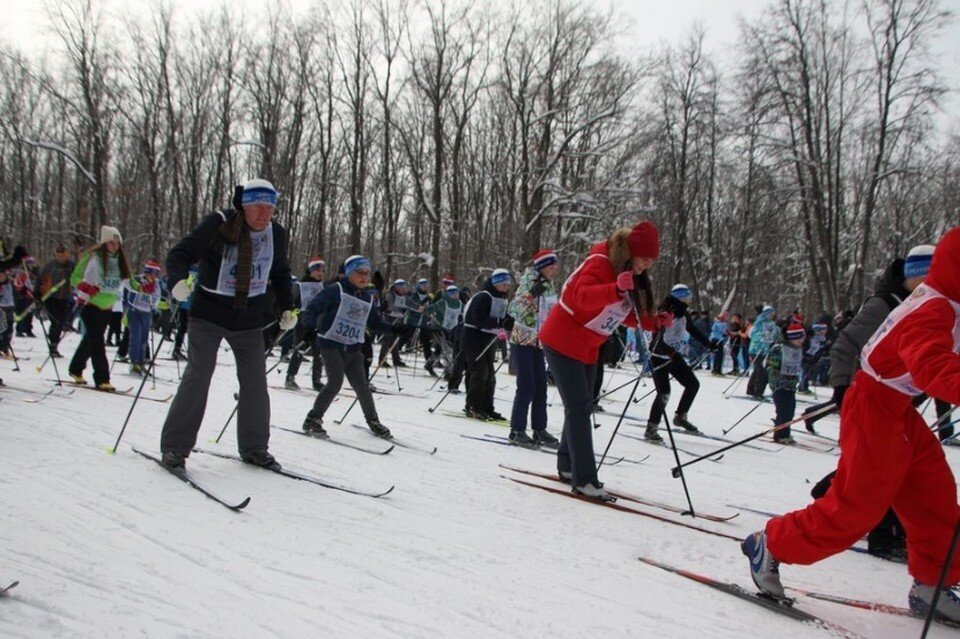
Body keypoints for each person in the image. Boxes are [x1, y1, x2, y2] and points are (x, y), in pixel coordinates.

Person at [741, 227, 960, 624]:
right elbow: (931, 364)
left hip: (898, 409)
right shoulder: (934, 307)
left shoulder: (949, 302)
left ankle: (933, 582)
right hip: (873, 403)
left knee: (935, 496)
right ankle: (771, 543)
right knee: (857, 506)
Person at [159, 179, 295, 470]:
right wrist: (177, 282)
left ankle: (255, 447)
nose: (264, 214)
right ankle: (174, 448)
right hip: (208, 313)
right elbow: (180, 253)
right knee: (199, 376)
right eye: (257, 207)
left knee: (255, 382)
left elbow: (281, 273)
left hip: (248, 318)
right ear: (243, 206)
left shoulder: (276, 233)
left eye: (270, 208)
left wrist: (287, 307)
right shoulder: (220, 223)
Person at [539, 221, 663, 499]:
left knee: (581, 407)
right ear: (631, 251)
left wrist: (654, 322)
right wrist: (614, 289)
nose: (647, 265)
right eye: (644, 258)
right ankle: (584, 479)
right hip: (562, 340)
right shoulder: (600, 263)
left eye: (652, 260)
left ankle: (568, 466)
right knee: (580, 408)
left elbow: (623, 312)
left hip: (586, 347)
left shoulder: (626, 272)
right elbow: (581, 297)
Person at [803, 244, 935, 434]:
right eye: (932, 276)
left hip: (894, 396)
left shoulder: (919, 305)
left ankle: (814, 414)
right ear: (917, 274)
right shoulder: (885, 304)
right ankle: (811, 415)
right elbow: (846, 343)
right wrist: (841, 386)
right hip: (866, 390)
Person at [300, 255, 393, 438]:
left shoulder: (366, 297)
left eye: (367, 273)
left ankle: (373, 420)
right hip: (330, 343)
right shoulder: (336, 290)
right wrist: (309, 327)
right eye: (359, 273)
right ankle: (313, 419)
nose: (364, 277)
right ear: (349, 273)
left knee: (362, 386)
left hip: (352, 347)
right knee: (335, 382)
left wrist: (395, 329)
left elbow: (374, 322)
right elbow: (312, 309)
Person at [644, 284, 719, 440]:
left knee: (693, 384)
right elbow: (656, 342)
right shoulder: (665, 312)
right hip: (659, 358)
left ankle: (680, 417)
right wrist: (671, 353)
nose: (689, 300)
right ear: (680, 298)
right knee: (664, 393)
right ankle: (651, 428)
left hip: (673, 357)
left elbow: (692, 330)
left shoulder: (683, 313)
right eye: (687, 297)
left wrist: (708, 344)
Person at [507, 249, 561, 448]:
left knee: (540, 387)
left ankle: (539, 429)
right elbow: (513, 310)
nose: (555, 270)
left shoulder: (549, 286)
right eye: (551, 267)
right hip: (522, 340)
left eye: (555, 266)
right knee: (526, 386)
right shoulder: (528, 282)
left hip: (539, 342)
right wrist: (531, 295)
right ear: (542, 267)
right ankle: (516, 430)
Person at [68, 226, 131, 390]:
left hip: (107, 307)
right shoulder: (92, 257)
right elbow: (75, 277)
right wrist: (85, 287)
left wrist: (142, 287)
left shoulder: (120, 261)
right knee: (97, 342)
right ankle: (102, 378)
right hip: (90, 305)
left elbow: (128, 281)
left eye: (117, 243)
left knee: (90, 340)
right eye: (111, 243)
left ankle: (75, 368)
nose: (114, 246)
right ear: (104, 243)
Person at [462, 268, 515, 420]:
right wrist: (498, 325)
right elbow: (478, 319)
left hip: (488, 339)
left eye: (508, 284)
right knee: (479, 373)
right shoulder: (483, 296)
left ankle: (487, 407)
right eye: (504, 284)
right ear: (496, 283)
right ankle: (473, 406)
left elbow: (504, 318)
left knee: (490, 375)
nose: (506, 287)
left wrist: (509, 324)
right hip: (473, 338)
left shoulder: (502, 298)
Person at [285, 256, 326, 391]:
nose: (320, 273)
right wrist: (293, 314)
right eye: (317, 270)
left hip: (318, 323)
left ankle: (316, 380)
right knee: (300, 349)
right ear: (311, 270)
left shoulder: (322, 286)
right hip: (302, 322)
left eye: (322, 270)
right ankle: (290, 377)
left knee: (319, 352)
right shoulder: (300, 285)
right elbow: (291, 302)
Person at [765, 322, 805, 445]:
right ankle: (780, 435)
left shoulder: (797, 349)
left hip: (791, 385)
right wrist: (778, 380)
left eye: (801, 338)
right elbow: (770, 366)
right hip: (779, 385)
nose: (800, 341)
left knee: (790, 409)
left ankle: (785, 432)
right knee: (783, 410)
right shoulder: (779, 348)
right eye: (797, 339)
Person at [122, 260, 162, 376]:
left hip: (147, 313)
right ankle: (134, 362)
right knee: (136, 337)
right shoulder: (138, 280)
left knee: (144, 339)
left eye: (156, 273)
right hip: (135, 312)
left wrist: (157, 306)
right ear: (147, 271)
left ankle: (140, 362)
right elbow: (129, 292)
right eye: (152, 272)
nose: (154, 276)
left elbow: (157, 298)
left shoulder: (156, 284)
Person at [36, 245, 76, 357]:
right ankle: (53, 345)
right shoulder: (50, 265)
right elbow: (40, 278)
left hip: (64, 297)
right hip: (50, 297)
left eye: (63, 255)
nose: (61, 258)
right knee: (56, 322)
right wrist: (37, 293)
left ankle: (54, 345)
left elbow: (78, 274)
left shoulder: (70, 265)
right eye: (59, 255)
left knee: (61, 322)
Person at [426, 284, 463, 388]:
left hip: (451, 329)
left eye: (456, 293)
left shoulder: (460, 303)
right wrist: (425, 311)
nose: (454, 295)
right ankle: (448, 372)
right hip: (439, 328)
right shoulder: (442, 302)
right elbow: (430, 308)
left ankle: (429, 364)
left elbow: (466, 311)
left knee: (439, 350)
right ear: (447, 294)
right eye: (452, 293)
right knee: (447, 350)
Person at [745, 305, 777, 398]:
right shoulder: (759, 322)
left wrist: (772, 337)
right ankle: (758, 392)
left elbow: (773, 335)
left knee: (757, 370)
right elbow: (751, 334)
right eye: (770, 313)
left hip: (764, 350)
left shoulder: (771, 324)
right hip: (755, 349)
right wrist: (762, 335)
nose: (772, 315)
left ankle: (750, 389)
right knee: (761, 371)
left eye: (772, 314)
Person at [710, 311, 729, 376]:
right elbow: (722, 330)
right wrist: (725, 333)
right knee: (719, 355)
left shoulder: (718, 322)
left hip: (716, 338)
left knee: (718, 354)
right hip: (718, 339)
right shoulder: (721, 323)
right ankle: (717, 370)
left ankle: (716, 369)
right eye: (726, 316)